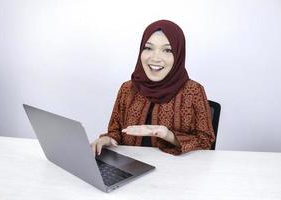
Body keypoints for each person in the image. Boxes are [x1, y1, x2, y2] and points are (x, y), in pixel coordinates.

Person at [91, 19, 215, 156]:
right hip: (133, 168)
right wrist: (107, 139)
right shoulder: (127, 89)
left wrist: (167, 134)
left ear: (179, 54)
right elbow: (116, 132)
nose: (156, 58)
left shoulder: (193, 91)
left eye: (167, 50)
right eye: (148, 48)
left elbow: (205, 142)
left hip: (176, 171)